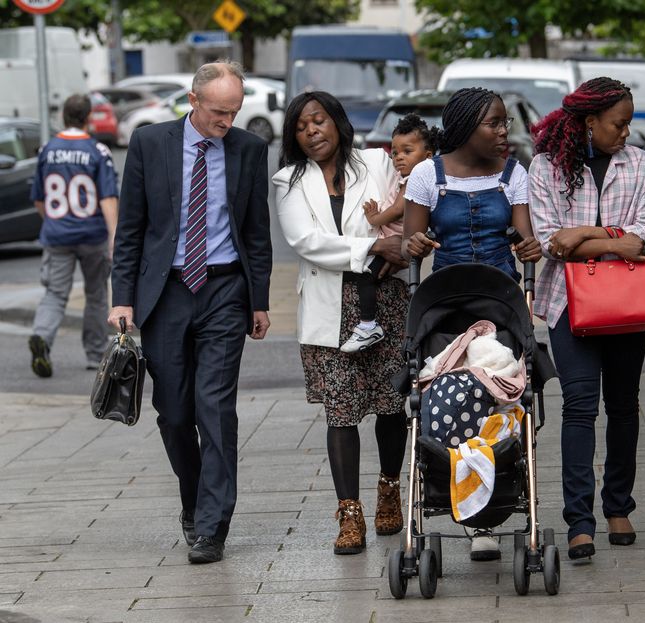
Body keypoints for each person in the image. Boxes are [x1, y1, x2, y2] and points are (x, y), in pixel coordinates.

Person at [108, 61, 273, 565]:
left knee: (215, 409)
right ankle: (194, 500)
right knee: (175, 414)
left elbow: (256, 232)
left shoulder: (248, 149)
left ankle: (212, 525)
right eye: (219, 112)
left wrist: (259, 299)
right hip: (166, 294)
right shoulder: (149, 143)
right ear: (194, 100)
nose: (227, 122)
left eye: (235, 112)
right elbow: (132, 227)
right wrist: (122, 296)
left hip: (224, 289)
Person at [403, 87, 541, 561]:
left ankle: (492, 507)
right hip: (445, 308)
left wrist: (531, 247)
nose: (505, 132)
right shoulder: (427, 175)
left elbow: (525, 236)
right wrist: (415, 245)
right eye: (495, 124)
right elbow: (409, 245)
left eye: (505, 123)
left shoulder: (513, 174)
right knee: (449, 389)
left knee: (498, 390)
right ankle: (461, 497)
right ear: (464, 129)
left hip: (500, 303)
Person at [527, 77, 645, 560]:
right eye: (618, 124)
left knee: (624, 404)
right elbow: (548, 239)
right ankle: (579, 520)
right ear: (589, 122)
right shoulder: (545, 167)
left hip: (627, 302)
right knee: (580, 407)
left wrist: (583, 233)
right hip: (568, 303)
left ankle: (618, 505)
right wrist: (611, 239)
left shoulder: (640, 162)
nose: (626, 132)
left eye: (627, 124)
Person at [272, 91, 409, 556]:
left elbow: (402, 213)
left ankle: (390, 487)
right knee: (341, 411)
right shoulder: (288, 180)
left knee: (392, 404)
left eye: (319, 121)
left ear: (338, 123)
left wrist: (394, 247)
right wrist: (369, 248)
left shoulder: (375, 162)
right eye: (301, 126)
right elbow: (305, 241)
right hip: (330, 308)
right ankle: (349, 513)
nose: (312, 131)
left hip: (387, 298)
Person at [27, 94, 119, 378]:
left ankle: (42, 336)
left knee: (55, 293)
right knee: (95, 294)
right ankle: (95, 354)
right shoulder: (97, 151)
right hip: (92, 235)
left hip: (57, 234)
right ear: (89, 117)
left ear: (64, 116)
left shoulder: (47, 150)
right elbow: (107, 198)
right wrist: (114, 236)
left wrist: (53, 222)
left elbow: (39, 199)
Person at [340, 113, 438, 354]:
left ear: (427, 157)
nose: (398, 158)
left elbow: (397, 210)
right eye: (395, 153)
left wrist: (374, 218)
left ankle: (367, 325)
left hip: (397, 243)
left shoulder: (417, 179)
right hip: (395, 243)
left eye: (407, 151)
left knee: (366, 275)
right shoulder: (407, 177)